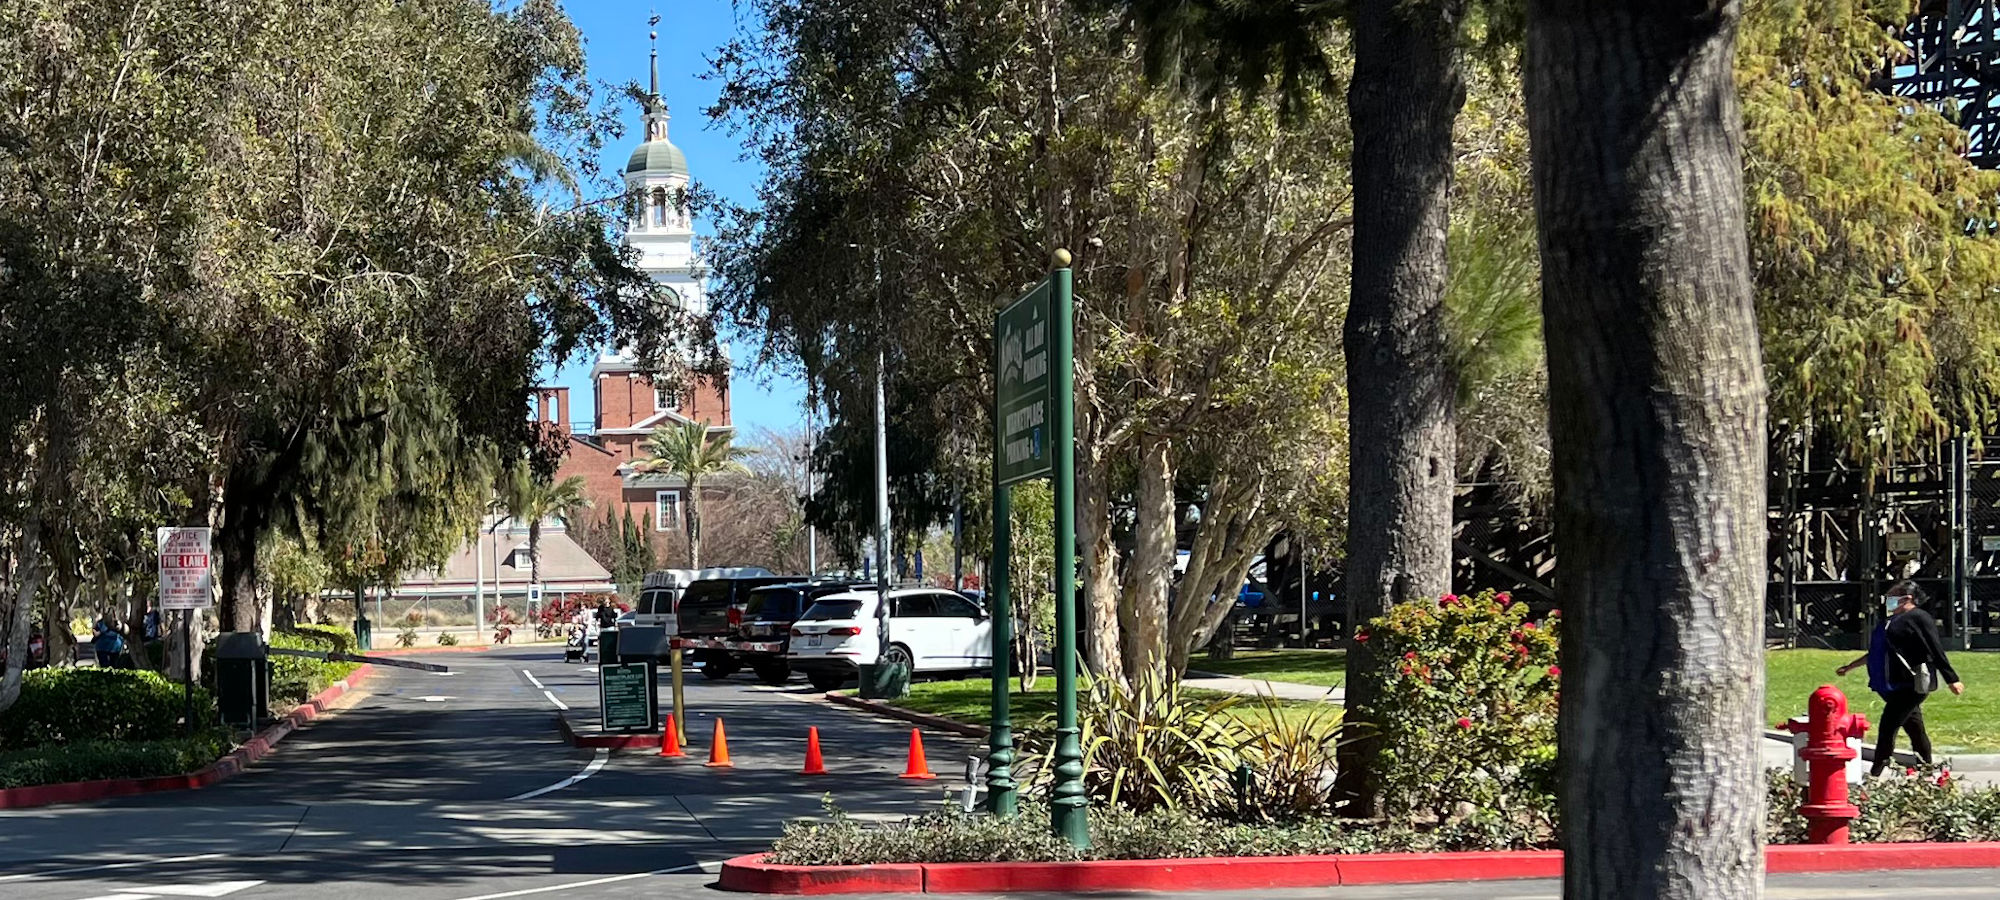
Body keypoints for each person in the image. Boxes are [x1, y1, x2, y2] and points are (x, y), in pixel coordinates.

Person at [1836, 580, 1966, 775]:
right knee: (1915, 728)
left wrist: (1951, 679)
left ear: (1907, 598)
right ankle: (1926, 770)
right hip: (1890, 685)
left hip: (1910, 684)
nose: (1888, 600)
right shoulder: (1888, 622)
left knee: (1887, 727)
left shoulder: (1919, 617)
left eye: (1892, 595)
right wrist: (1851, 666)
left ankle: (1876, 772)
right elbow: (1878, 651)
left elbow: (1934, 648)